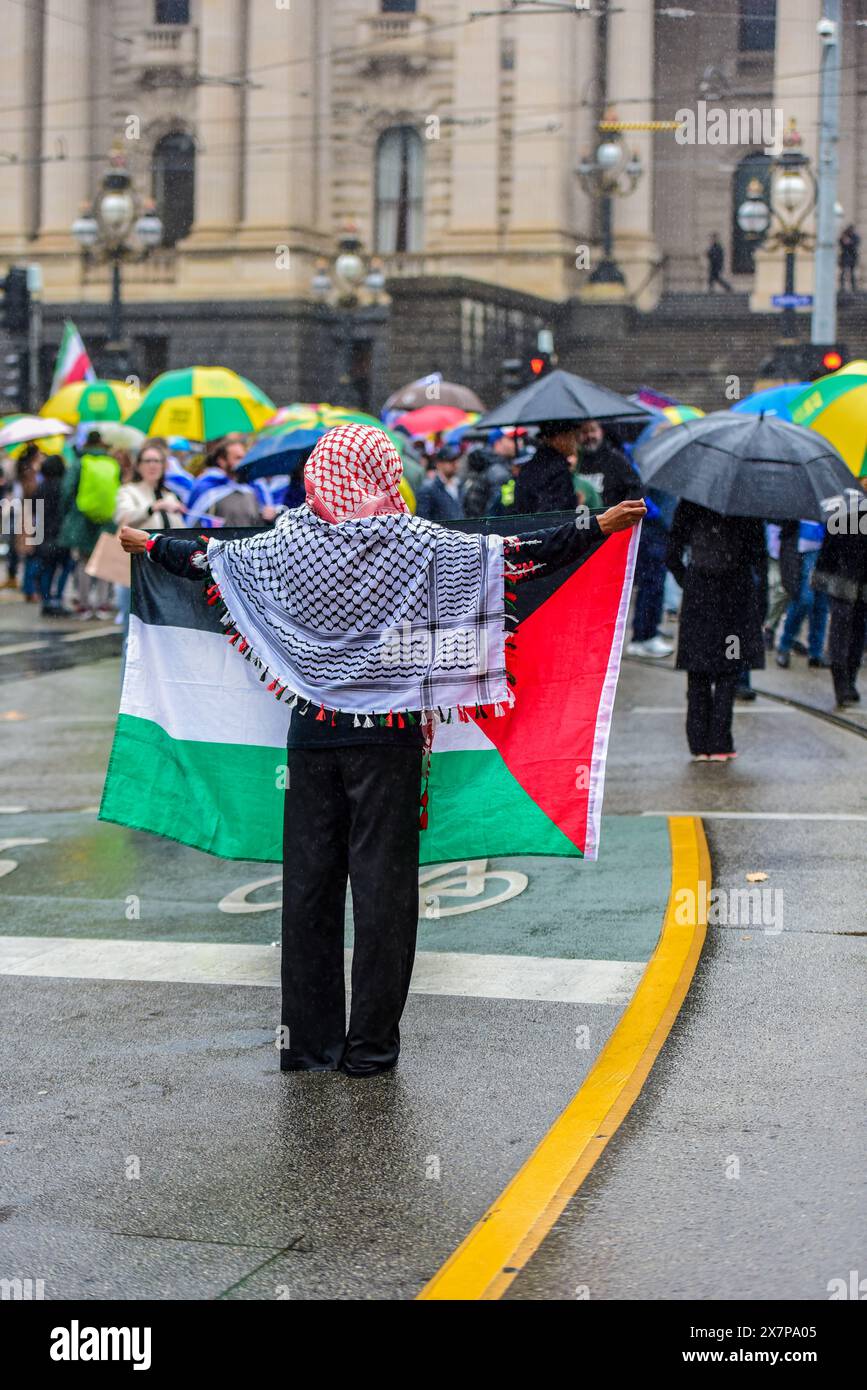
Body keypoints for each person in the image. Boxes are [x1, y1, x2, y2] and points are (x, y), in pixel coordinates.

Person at [119, 424, 645, 1077]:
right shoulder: (417, 544)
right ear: (382, 472)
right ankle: (370, 1048)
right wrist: (596, 527)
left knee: (309, 890)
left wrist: (151, 544)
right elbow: (512, 554)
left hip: (311, 733)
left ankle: (308, 1046)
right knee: (383, 893)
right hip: (388, 737)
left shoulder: (284, 544)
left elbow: (208, 559)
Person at [667, 500, 767, 760]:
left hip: (700, 591)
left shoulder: (692, 502)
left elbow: (672, 551)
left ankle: (699, 743)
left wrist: (687, 579)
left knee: (698, 667)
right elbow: (759, 556)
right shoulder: (747, 504)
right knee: (728, 668)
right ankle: (720, 741)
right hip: (736, 593)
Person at [114, 438, 186, 637]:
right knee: (133, 637)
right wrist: (153, 507)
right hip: (134, 572)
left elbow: (181, 531)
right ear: (139, 465)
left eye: (157, 461)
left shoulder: (170, 495)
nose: (153, 466)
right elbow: (123, 518)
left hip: (164, 574)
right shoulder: (129, 491)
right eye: (148, 461)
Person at [811, 491, 867, 707]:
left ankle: (850, 679)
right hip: (842, 577)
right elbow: (831, 544)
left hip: (861, 578)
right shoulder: (846, 506)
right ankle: (841, 682)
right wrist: (822, 575)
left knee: (857, 630)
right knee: (841, 629)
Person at [58, 429, 121, 619]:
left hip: (82, 519)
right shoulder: (111, 463)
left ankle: (84, 604)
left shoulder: (80, 463)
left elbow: (67, 490)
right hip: (106, 519)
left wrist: (69, 513)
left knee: (84, 562)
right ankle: (102, 604)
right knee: (102, 562)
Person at [186, 434, 276, 527]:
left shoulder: (253, 486)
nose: (242, 462)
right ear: (221, 460)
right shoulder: (207, 485)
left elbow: (261, 521)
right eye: (237, 458)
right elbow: (192, 521)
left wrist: (269, 515)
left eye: (243, 458)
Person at [775, 520, 829, 669]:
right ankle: (785, 645)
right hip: (803, 550)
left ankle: (815, 652)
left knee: (820, 603)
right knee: (804, 600)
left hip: (824, 549)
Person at [33, 454, 74, 616]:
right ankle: (57, 600)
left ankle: (46, 600)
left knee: (47, 569)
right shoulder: (64, 487)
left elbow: (34, 511)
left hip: (43, 534)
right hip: (61, 534)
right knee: (64, 567)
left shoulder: (40, 487)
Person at [514, 420, 578, 514]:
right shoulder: (558, 469)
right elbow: (556, 513)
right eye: (572, 437)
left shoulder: (528, 467)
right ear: (559, 439)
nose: (575, 443)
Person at [576, 420, 643, 508]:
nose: (589, 436)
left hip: (612, 517)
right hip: (581, 519)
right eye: (584, 432)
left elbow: (636, 488)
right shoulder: (574, 460)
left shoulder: (616, 459)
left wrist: (624, 511)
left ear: (601, 432)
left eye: (593, 430)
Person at [416, 445, 465, 522]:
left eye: (456, 460)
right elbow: (423, 519)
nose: (455, 464)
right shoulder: (428, 489)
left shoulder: (459, 485)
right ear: (439, 464)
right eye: (450, 461)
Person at [838, 224, 860, 293]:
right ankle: (842, 287)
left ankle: (854, 287)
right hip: (845, 256)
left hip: (852, 256)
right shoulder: (844, 235)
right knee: (843, 272)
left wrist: (849, 242)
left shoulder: (855, 237)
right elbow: (841, 243)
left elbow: (856, 244)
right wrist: (844, 239)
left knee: (852, 273)